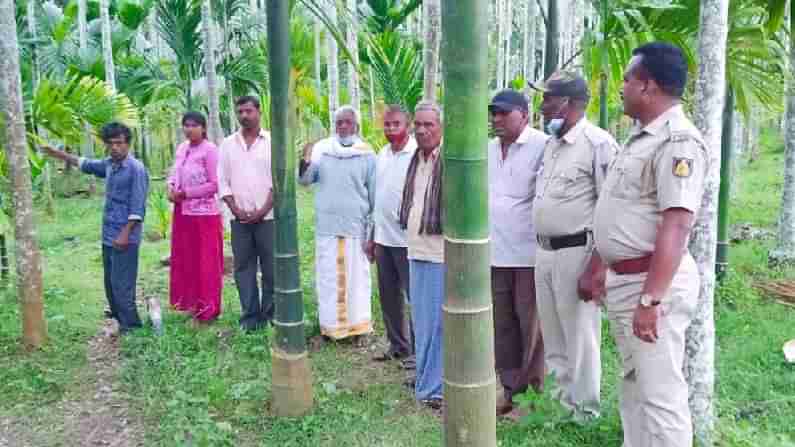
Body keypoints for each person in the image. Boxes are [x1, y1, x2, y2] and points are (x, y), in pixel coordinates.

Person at [582, 42, 707, 447]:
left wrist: (651, 300)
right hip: (628, 281)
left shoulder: (677, 142)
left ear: (648, 86)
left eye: (628, 79)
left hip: (653, 285)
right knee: (635, 386)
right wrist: (602, 264)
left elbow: (676, 225)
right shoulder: (641, 137)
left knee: (660, 395)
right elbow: (623, 212)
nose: (621, 87)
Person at [533, 72, 619, 422]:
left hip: (577, 253)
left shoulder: (598, 144)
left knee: (580, 339)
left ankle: (585, 414)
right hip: (545, 252)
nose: (542, 106)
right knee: (553, 337)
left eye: (548, 99)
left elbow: (611, 209)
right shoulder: (551, 144)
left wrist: (597, 267)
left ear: (566, 103)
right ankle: (560, 408)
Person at [42, 122, 149, 334]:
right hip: (108, 234)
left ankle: (133, 328)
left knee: (122, 284)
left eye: (119, 143)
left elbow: (138, 207)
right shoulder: (110, 164)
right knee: (110, 284)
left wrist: (125, 234)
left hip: (124, 237)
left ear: (128, 144)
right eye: (111, 144)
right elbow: (86, 164)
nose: (115, 147)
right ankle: (121, 322)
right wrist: (58, 154)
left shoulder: (135, 169)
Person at [487, 89, 549, 419]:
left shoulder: (541, 146)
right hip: (496, 253)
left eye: (503, 113)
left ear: (524, 114)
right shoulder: (488, 149)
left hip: (528, 254)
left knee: (532, 328)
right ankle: (510, 391)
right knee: (504, 325)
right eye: (493, 113)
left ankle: (533, 397)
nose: (496, 119)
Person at [300, 105, 376, 343]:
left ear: (356, 126)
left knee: (357, 280)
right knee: (328, 278)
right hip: (328, 227)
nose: (342, 126)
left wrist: (372, 230)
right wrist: (304, 161)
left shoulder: (367, 154)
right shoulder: (322, 150)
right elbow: (305, 180)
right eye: (339, 122)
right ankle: (331, 328)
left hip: (356, 227)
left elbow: (374, 194)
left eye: (347, 122)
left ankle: (358, 328)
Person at [398, 101, 444, 410]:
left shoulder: (450, 159)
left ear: (441, 127)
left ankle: (435, 388)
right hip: (416, 249)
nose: (422, 129)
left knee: (438, 324)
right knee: (422, 321)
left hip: (441, 254)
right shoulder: (417, 158)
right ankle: (426, 378)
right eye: (418, 124)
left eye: (429, 124)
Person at [219, 96, 275, 332]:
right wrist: (237, 210)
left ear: (259, 112)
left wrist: (262, 210)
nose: (244, 115)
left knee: (271, 266)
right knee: (244, 268)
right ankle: (250, 317)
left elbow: (279, 182)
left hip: (269, 218)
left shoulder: (272, 141)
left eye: (248, 111)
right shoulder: (228, 144)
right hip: (239, 220)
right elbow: (222, 181)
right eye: (240, 111)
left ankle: (270, 314)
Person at [367, 104, 417, 363]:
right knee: (389, 296)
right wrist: (372, 236)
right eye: (387, 124)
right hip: (383, 238)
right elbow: (378, 198)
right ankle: (398, 345)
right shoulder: (383, 153)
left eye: (395, 124)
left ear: (407, 125)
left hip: (408, 241)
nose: (390, 129)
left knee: (414, 297)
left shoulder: (416, 153)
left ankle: (418, 353)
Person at [167, 111, 224, 324]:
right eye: (185, 125)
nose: (189, 129)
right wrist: (170, 187)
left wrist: (187, 193)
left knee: (206, 261)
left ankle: (209, 309)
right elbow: (175, 172)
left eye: (193, 125)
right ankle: (192, 304)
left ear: (203, 127)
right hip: (183, 213)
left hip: (205, 216)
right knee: (187, 259)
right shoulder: (182, 148)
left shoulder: (210, 151)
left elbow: (215, 184)